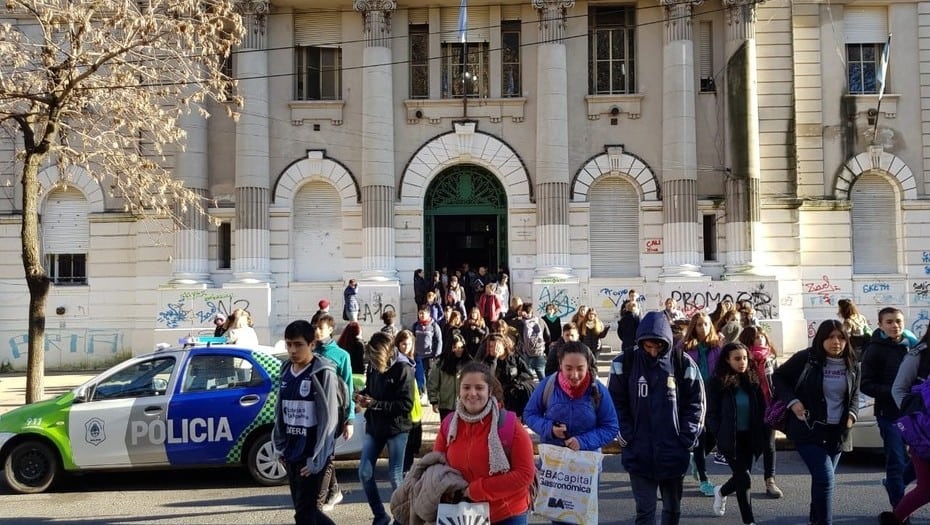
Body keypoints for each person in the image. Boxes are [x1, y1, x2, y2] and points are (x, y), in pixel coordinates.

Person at [608, 311, 706, 525]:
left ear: (667, 342)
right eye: (648, 346)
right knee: (645, 512)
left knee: (672, 509)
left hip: (673, 452)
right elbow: (614, 404)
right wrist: (626, 436)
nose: (653, 352)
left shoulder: (683, 363)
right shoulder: (624, 363)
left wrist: (687, 438)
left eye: (658, 347)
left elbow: (696, 403)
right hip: (638, 453)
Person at [773, 319, 860, 525]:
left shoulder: (852, 363)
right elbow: (778, 377)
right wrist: (793, 402)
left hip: (838, 432)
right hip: (809, 429)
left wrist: (851, 415)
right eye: (830, 337)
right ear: (820, 339)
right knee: (825, 478)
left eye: (840, 337)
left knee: (822, 480)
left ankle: (815, 518)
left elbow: (855, 395)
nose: (836, 342)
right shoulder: (807, 358)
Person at [433, 361, 537, 525]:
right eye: (466, 387)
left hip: (506, 513)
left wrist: (477, 490)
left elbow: (525, 474)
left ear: (490, 391)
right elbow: (436, 466)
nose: (472, 393)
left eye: (479, 388)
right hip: (463, 512)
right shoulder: (448, 424)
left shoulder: (509, 425)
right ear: (460, 390)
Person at [274, 319, 347, 525]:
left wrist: (317, 459)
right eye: (289, 344)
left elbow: (329, 420)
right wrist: (280, 448)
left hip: (311, 455)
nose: (292, 350)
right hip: (291, 453)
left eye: (298, 344)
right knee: (307, 512)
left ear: (312, 344)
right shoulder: (286, 370)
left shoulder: (323, 372)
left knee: (304, 515)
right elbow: (281, 412)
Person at [860, 307, 919, 512]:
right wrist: (895, 391)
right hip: (889, 414)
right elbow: (865, 385)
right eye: (889, 322)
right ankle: (899, 510)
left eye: (898, 321)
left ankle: (894, 484)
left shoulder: (913, 346)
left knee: (920, 457)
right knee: (896, 460)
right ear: (880, 325)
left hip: (913, 413)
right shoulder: (874, 350)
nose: (895, 325)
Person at [355, 332, 414, 525]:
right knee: (364, 472)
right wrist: (361, 396)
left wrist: (376, 404)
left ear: (385, 352)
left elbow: (406, 404)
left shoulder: (403, 368)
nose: (370, 360)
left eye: (373, 356)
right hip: (375, 426)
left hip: (397, 428)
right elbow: (371, 390)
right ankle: (380, 515)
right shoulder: (373, 367)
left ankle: (403, 518)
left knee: (396, 476)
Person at [706, 342, 768, 525]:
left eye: (745, 358)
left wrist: (763, 431)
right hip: (730, 438)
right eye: (737, 359)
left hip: (750, 437)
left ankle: (721, 491)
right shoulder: (717, 383)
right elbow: (712, 413)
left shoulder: (752, 381)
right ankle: (749, 521)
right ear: (727, 360)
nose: (742, 362)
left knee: (742, 478)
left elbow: (761, 408)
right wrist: (719, 433)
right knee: (744, 478)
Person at [524, 341, 619, 452]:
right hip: (553, 458)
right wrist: (550, 429)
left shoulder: (598, 390)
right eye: (568, 368)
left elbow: (611, 427)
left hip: (586, 459)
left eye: (580, 368)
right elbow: (530, 414)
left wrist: (582, 442)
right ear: (560, 365)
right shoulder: (548, 385)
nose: (574, 375)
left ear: (587, 366)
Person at [883, 331, 930, 525]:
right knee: (925, 489)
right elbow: (898, 389)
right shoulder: (919, 354)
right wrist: (915, 418)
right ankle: (895, 516)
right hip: (923, 433)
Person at [312, 314, 355, 513]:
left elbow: (349, 387)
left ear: (330, 329)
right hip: (313, 411)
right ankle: (334, 490)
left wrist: (349, 418)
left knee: (327, 454)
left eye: (320, 328)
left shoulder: (341, 355)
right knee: (321, 453)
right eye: (314, 327)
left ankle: (321, 499)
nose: (317, 331)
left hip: (334, 412)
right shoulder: (310, 351)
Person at [677, 311, 723, 496]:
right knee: (700, 435)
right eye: (699, 324)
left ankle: (698, 459)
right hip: (693, 397)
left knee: (714, 434)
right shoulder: (684, 347)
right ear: (693, 327)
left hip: (713, 395)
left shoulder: (718, 347)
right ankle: (704, 480)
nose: (702, 328)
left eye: (705, 324)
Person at [737, 325, 783, 498]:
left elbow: (778, 381)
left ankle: (770, 481)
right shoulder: (744, 359)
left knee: (769, 444)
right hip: (750, 407)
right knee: (749, 443)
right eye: (757, 337)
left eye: (763, 335)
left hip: (769, 406)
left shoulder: (770, 359)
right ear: (749, 340)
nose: (761, 339)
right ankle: (744, 478)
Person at [478, 333, 536, 418]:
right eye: (490, 346)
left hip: (516, 396)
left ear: (504, 346)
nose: (493, 349)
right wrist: (494, 359)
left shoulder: (515, 358)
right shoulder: (489, 361)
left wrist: (518, 383)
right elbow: (489, 378)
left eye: (496, 346)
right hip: (500, 398)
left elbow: (528, 374)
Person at [395, 330, 423, 475]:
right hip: (404, 411)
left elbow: (420, 380)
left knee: (412, 445)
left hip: (415, 409)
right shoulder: (397, 362)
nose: (406, 347)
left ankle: (408, 473)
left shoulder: (413, 359)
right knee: (405, 449)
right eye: (403, 344)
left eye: (409, 344)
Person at [429, 333, 471, 420]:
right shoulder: (440, 363)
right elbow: (433, 382)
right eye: (455, 347)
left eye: (461, 347)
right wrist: (434, 401)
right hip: (445, 405)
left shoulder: (468, 363)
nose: (459, 350)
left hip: (464, 405)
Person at [411, 305, 443, 404]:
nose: (421, 315)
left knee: (429, 377)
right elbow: (412, 339)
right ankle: (422, 394)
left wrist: (436, 355)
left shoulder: (434, 326)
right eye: (420, 313)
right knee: (419, 376)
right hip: (418, 356)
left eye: (423, 313)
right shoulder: (415, 325)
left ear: (428, 314)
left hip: (429, 356)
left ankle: (431, 397)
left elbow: (439, 341)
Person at [516, 302, 549, 381]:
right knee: (542, 377)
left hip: (526, 354)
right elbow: (548, 336)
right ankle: (545, 389)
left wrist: (517, 315)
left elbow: (506, 320)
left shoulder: (521, 323)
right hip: (539, 353)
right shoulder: (540, 321)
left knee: (527, 377)